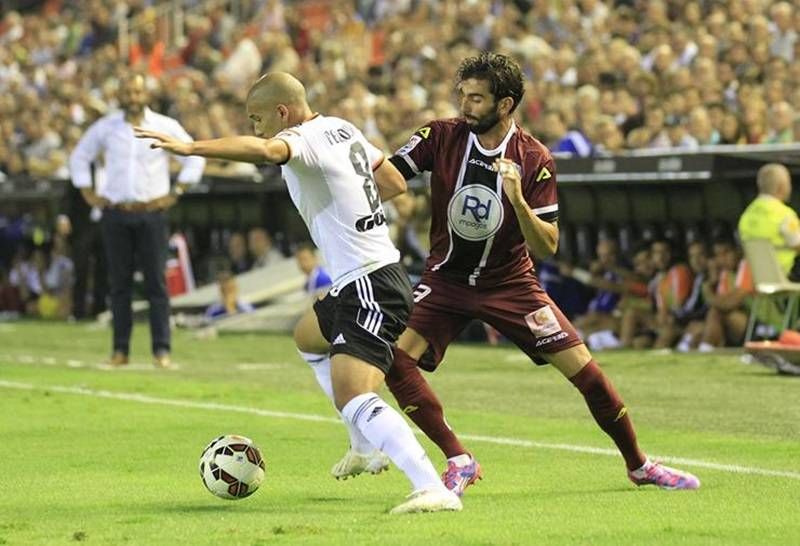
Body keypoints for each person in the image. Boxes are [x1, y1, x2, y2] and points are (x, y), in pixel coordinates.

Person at [134, 71, 462, 514]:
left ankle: (430, 486)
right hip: (358, 278)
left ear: (282, 112)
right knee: (308, 336)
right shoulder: (343, 128)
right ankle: (364, 448)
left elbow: (267, 150)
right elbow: (394, 183)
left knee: (356, 395)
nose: (256, 127)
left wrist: (193, 148)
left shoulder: (302, 138)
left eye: (257, 118)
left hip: (370, 282)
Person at [380, 52, 700, 495]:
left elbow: (547, 244)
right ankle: (459, 458)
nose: (465, 105)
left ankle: (640, 464)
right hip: (445, 281)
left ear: (506, 104)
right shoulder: (439, 135)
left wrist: (517, 200)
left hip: (511, 286)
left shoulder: (535, 158)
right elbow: (388, 176)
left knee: (588, 375)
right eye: (463, 95)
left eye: (477, 98)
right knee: (395, 359)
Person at [69, 72, 206, 367]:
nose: (132, 97)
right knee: (118, 284)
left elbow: (194, 154)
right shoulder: (105, 128)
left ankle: (162, 350)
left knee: (156, 283)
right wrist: (88, 192)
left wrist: (177, 190)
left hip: (152, 212)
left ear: (146, 95)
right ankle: (120, 350)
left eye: (137, 92)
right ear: (120, 95)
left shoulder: (164, 126)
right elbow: (79, 157)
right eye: (127, 92)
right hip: (116, 212)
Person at [739, 163, 800, 281]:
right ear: (781, 187)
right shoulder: (784, 215)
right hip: (785, 275)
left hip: (756, 277)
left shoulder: (746, 215)